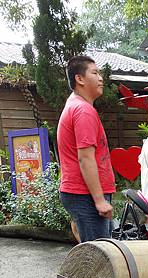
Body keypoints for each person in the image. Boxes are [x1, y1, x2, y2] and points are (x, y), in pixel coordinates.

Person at [58, 55, 115, 242]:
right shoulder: (83, 110)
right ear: (79, 79)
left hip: (82, 194)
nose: (101, 78)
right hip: (85, 195)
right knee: (98, 259)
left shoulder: (74, 105)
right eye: (95, 73)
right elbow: (85, 158)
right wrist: (99, 200)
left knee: (91, 255)